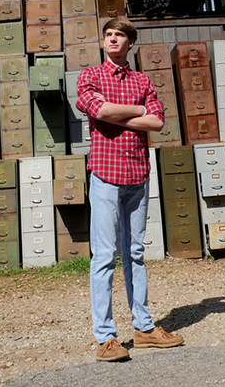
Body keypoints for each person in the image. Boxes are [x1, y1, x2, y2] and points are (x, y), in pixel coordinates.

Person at [76, 18, 184, 362]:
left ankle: (144, 327)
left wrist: (118, 115)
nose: (112, 39)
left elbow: (158, 122)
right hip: (105, 174)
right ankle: (106, 338)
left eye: (119, 35)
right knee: (105, 256)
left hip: (137, 173)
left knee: (135, 252)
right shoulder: (90, 75)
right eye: (108, 35)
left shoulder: (142, 80)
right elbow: (99, 109)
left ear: (130, 43)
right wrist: (138, 110)